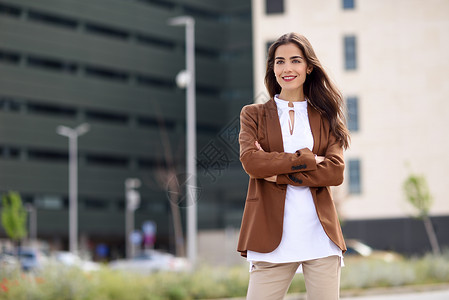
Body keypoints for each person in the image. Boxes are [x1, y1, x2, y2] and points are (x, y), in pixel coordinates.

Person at [237, 32, 351, 300]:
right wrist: (310, 159)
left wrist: (278, 175)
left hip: (320, 236)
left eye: (295, 60)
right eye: (279, 62)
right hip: (270, 237)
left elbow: (335, 171)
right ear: (272, 68)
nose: (287, 68)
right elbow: (252, 163)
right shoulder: (253, 115)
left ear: (308, 67)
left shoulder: (326, 116)